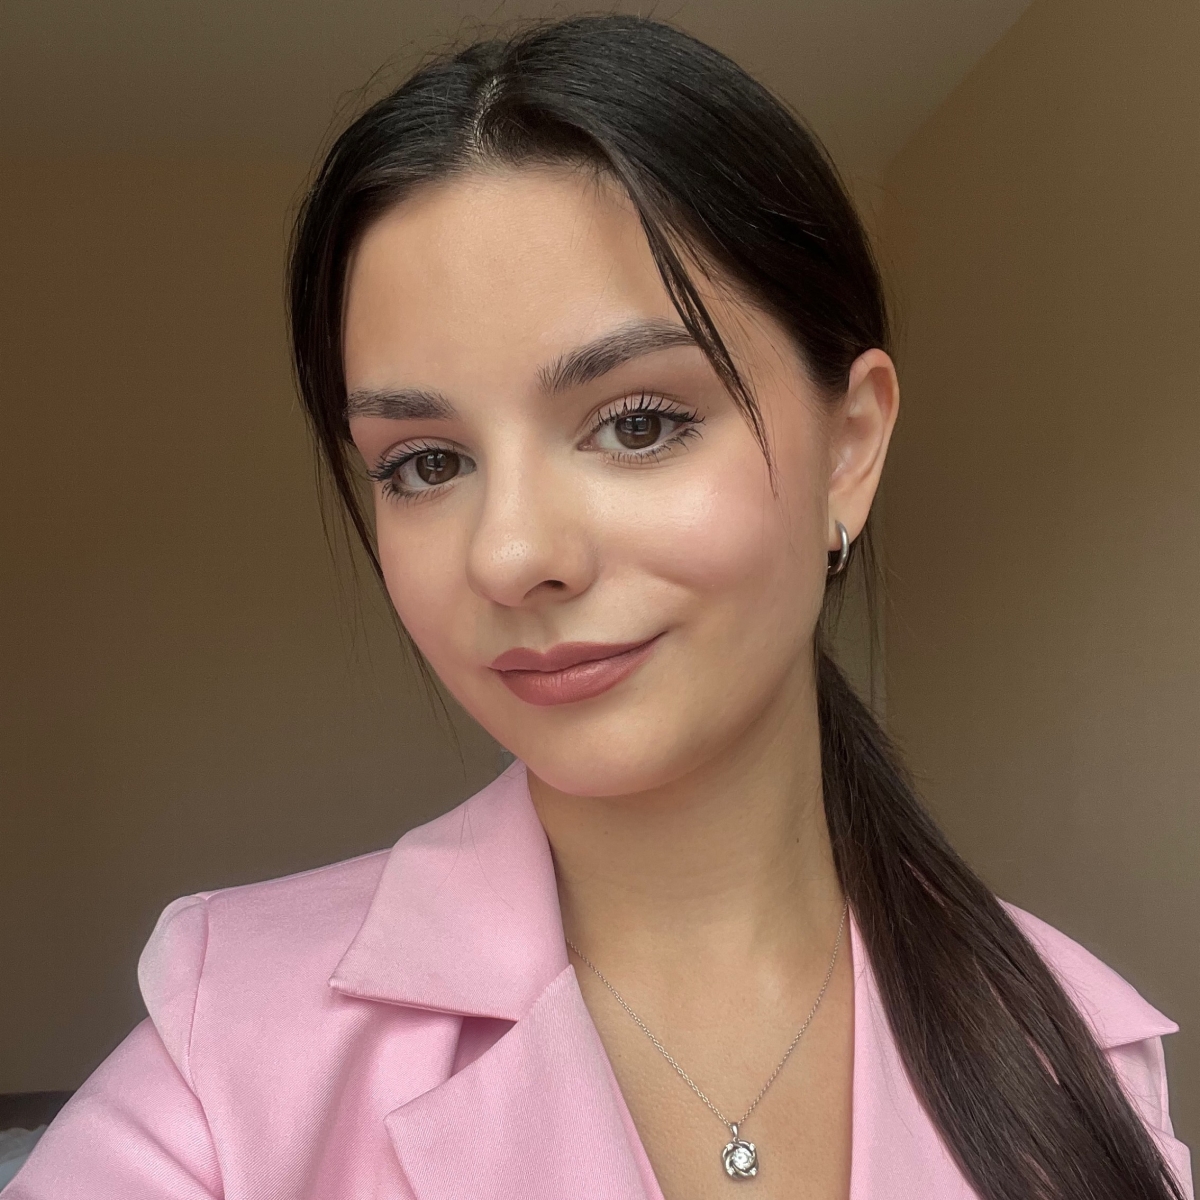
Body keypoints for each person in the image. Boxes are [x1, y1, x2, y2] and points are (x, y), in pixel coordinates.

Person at [5, 14, 1191, 1200]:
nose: (512, 555)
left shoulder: (1079, 1060)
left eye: (637, 423)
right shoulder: (229, 1054)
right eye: (426, 462)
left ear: (849, 447)